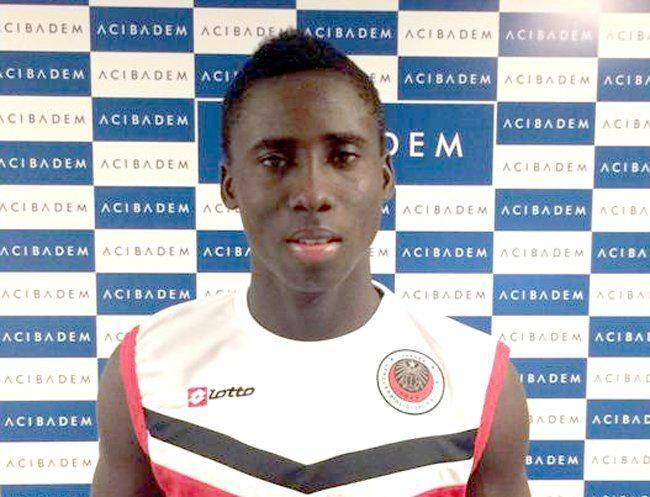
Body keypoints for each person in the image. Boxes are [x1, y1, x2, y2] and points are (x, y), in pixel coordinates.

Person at [91, 29, 530, 497]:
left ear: (384, 177)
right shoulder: (149, 368)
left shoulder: (477, 379)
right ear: (230, 185)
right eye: (275, 160)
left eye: (343, 156)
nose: (313, 193)